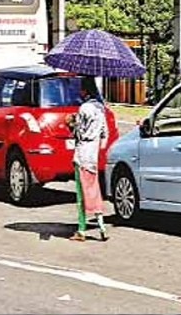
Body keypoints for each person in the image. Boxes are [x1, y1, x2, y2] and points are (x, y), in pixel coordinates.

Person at [70, 76, 109, 242]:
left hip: (82, 154)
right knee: (94, 190)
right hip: (93, 155)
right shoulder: (101, 108)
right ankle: (101, 226)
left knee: (81, 195)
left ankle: (81, 229)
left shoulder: (84, 108)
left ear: (85, 90)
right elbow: (104, 134)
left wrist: (71, 123)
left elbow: (78, 132)